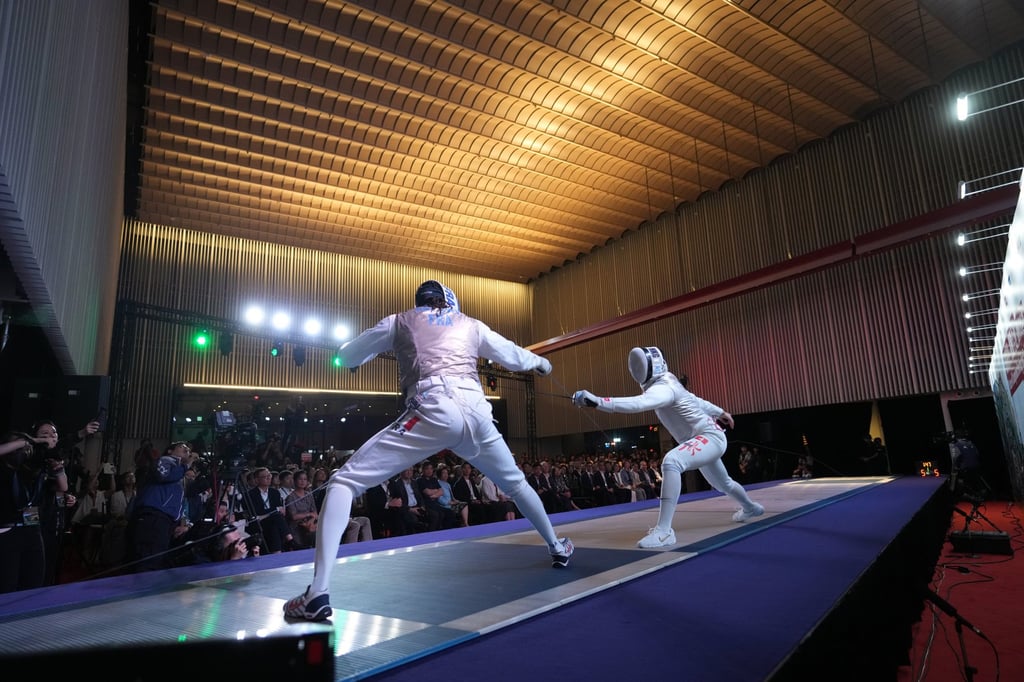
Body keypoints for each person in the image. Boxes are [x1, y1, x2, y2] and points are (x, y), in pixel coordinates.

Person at [284, 280, 573, 622]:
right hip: (478, 413)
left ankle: (317, 592)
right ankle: (557, 546)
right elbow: (512, 354)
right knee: (516, 484)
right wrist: (539, 363)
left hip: (431, 408)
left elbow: (345, 355)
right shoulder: (470, 324)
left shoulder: (399, 321)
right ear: (450, 302)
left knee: (343, 482)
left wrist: (356, 358)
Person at [573, 346, 763, 549]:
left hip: (708, 437)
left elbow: (639, 404)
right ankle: (750, 507)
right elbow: (694, 400)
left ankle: (664, 532)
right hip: (705, 438)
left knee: (672, 461)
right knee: (723, 483)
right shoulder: (669, 380)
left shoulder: (663, 388)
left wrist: (598, 401)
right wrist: (720, 411)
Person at [0, 430, 69, 593]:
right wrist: (27, 441)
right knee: (7, 585)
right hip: (7, 530)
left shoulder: (32, 469)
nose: (24, 450)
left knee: (33, 583)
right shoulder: (3, 469)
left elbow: (63, 487)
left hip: (32, 530)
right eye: (17, 445)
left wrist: (58, 469)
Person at [128, 441, 197, 572]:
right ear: (170, 451)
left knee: (157, 559)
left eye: (188, 449)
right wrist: (187, 464)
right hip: (153, 517)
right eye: (182, 447)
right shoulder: (165, 460)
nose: (187, 450)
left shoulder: (180, 471)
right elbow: (162, 475)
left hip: (165, 521)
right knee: (148, 559)